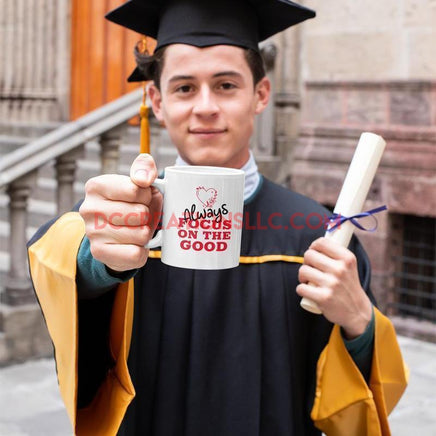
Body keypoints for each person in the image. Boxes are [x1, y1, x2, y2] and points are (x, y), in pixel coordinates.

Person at [28, 0, 408, 435]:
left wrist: (359, 324)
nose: (205, 107)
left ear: (260, 94)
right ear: (156, 100)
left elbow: (362, 401)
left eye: (226, 85)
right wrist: (97, 263)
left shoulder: (316, 234)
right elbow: (56, 264)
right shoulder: (125, 221)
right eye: (184, 88)